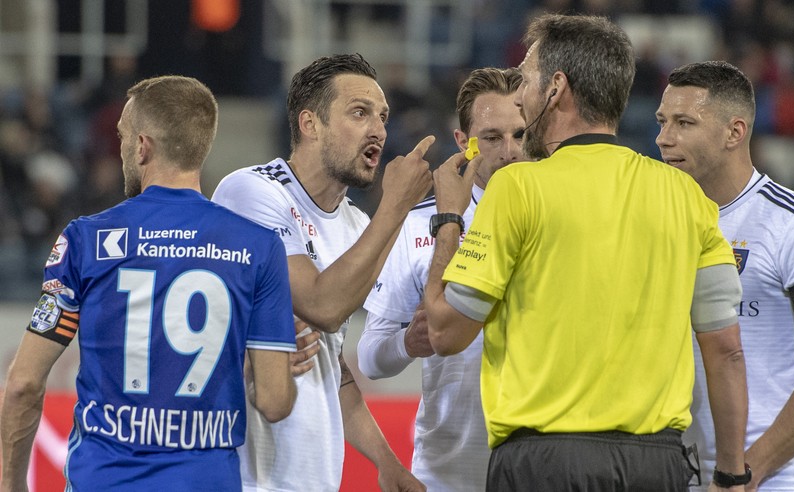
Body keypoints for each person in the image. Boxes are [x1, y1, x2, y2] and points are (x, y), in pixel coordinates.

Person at [423, 14, 750, 490]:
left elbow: (445, 332)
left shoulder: (517, 187)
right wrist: (733, 471)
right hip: (658, 466)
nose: (519, 96)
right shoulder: (687, 198)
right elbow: (725, 351)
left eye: (527, 80)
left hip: (545, 463)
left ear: (556, 88)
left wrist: (449, 220)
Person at [0, 75, 297, 491]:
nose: (121, 148)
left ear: (142, 146)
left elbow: (23, 385)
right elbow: (275, 401)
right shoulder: (258, 247)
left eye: (123, 136)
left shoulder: (87, 240)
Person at [211, 53, 431, 492]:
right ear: (310, 124)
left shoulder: (358, 226)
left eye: (382, 117)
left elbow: (331, 361)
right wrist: (396, 206)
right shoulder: (251, 192)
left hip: (313, 476)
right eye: (359, 112)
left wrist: (387, 465)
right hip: (248, 476)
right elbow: (321, 306)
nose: (379, 130)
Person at [656, 60, 794, 491]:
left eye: (684, 122)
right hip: (683, 476)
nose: (663, 138)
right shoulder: (656, 219)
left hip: (774, 480)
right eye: (662, 121)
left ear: (734, 132)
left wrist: (744, 472)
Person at [358, 67, 525, 490]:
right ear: (462, 143)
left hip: (541, 465)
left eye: (520, 134)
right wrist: (407, 344)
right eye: (491, 137)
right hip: (447, 469)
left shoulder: (564, 216)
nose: (509, 151)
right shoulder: (418, 224)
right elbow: (370, 358)